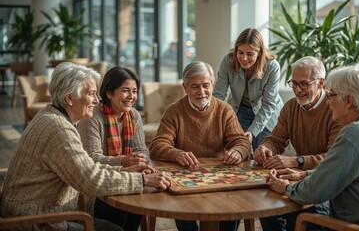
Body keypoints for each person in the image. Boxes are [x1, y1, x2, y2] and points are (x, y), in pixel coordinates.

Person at [0, 62, 172, 231]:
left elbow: (87, 169)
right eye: (91, 94)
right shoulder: (59, 129)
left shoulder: (50, 116)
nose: (97, 100)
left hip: (31, 214)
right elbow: (91, 180)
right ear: (69, 98)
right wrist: (143, 180)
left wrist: (125, 170)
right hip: (36, 223)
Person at [266, 64, 359, 230]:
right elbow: (341, 171)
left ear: (348, 100)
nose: (328, 102)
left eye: (331, 95)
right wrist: (304, 175)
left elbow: (314, 193)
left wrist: (286, 187)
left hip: (357, 226)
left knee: (305, 211)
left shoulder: (353, 133)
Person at [149, 61, 251, 231]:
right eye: (195, 86)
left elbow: (241, 142)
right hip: (185, 175)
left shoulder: (224, 110)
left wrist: (237, 152)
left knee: (234, 200)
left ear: (212, 85)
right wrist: (176, 154)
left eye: (206, 85)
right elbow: (157, 145)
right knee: (178, 197)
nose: (201, 92)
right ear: (185, 87)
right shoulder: (174, 111)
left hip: (220, 175)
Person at [253, 56, 343, 231]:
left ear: (321, 83)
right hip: (297, 177)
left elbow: (334, 160)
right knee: (266, 207)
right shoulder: (290, 107)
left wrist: (297, 161)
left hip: (325, 181)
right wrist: (265, 148)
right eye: (293, 83)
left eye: (304, 84)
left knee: (302, 214)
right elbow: (276, 139)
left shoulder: (336, 110)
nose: (297, 90)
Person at [77, 66, 149, 231]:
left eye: (134, 91)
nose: (131, 97)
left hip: (128, 179)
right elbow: (92, 159)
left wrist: (140, 160)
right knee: (121, 211)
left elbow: (143, 150)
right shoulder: (92, 117)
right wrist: (123, 161)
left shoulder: (134, 115)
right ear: (108, 93)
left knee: (142, 200)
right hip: (100, 186)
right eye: (125, 91)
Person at [213, 28, 283, 151]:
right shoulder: (228, 61)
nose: (244, 58)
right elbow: (219, 95)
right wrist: (213, 120)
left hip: (267, 113)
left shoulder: (272, 66)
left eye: (250, 54)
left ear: (259, 53)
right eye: (240, 52)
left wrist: (252, 131)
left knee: (261, 153)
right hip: (239, 109)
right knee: (239, 150)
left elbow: (268, 105)